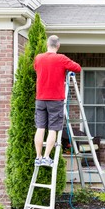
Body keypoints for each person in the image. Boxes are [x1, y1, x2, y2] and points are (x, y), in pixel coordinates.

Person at [33, 35, 81, 167]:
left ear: (47, 44)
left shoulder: (38, 58)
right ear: (58, 46)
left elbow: (37, 69)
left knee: (40, 128)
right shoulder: (61, 59)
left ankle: (38, 157)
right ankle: (47, 157)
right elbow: (78, 68)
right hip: (55, 100)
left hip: (40, 99)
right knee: (53, 128)